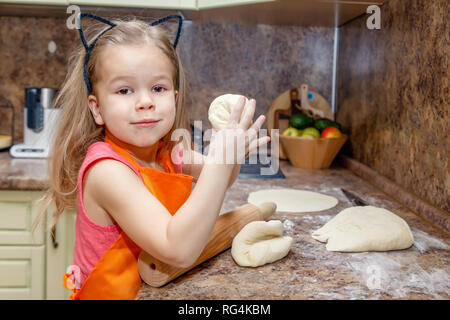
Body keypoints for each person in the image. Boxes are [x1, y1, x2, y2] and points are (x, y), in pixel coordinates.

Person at [33, 13, 269, 300]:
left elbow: (223, 179)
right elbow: (177, 249)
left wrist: (232, 156)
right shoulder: (107, 170)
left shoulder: (168, 152)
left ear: (175, 97)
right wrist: (221, 159)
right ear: (97, 109)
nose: (145, 102)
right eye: (124, 90)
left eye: (158, 88)